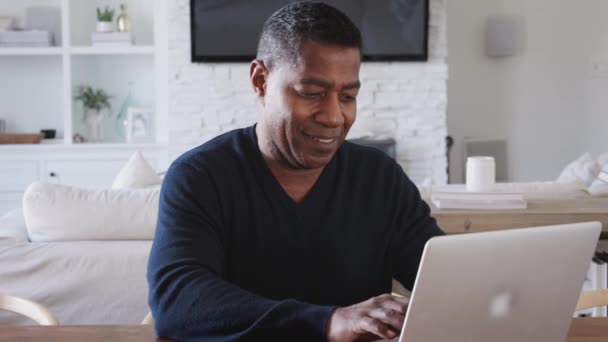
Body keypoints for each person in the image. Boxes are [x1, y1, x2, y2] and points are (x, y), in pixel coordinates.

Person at [147, 2, 444, 341]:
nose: (334, 117)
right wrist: (328, 322)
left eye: (347, 96)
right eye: (311, 93)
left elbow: (441, 278)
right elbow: (178, 301)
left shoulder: (379, 178)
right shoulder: (200, 177)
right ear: (260, 80)